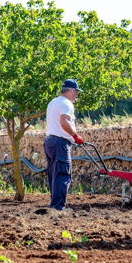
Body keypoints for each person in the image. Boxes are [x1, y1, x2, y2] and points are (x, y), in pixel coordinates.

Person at [43, 79, 85, 211]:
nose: (76, 95)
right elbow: (64, 121)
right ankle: (58, 207)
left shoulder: (53, 102)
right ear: (71, 91)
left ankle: (54, 204)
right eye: (76, 92)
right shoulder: (67, 103)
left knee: (54, 174)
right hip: (60, 142)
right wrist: (75, 135)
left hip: (49, 141)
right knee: (62, 174)